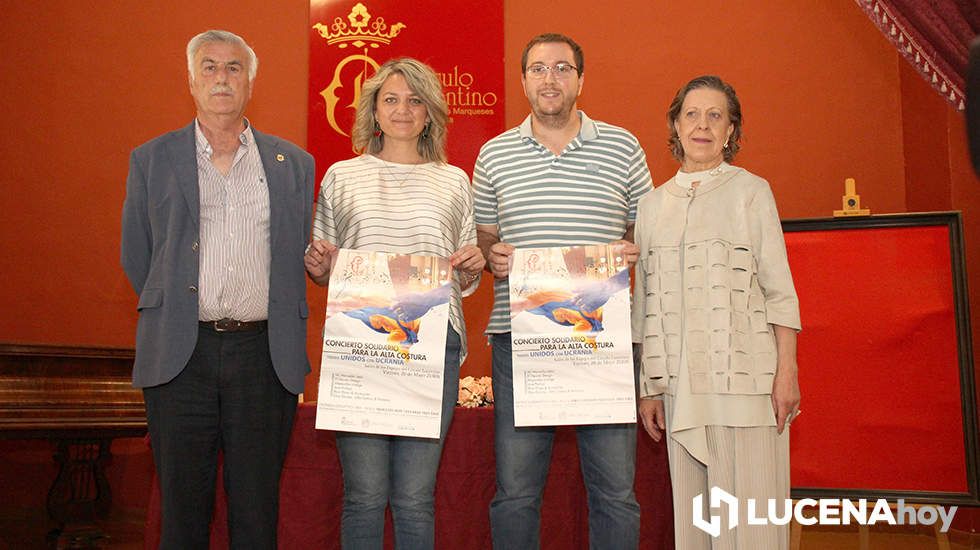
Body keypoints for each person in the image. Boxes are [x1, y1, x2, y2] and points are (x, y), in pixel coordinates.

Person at [120, 30, 314, 549]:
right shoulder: (152, 159)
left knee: (256, 507)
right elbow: (138, 255)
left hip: (263, 355)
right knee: (182, 509)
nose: (222, 78)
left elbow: (301, 251)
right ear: (191, 79)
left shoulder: (293, 163)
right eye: (209, 67)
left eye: (233, 68)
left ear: (250, 81)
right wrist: (182, 309)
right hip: (181, 355)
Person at [474, 33, 652, 550]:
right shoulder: (494, 154)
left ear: (580, 79)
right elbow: (485, 237)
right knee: (516, 491)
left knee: (616, 491)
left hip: (605, 339)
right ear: (523, 80)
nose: (549, 78)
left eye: (561, 68)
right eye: (537, 69)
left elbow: (648, 229)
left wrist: (632, 248)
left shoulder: (623, 145)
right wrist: (493, 255)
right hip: (521, 339)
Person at [304, 57, 485, 550]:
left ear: (430, 113)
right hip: (359, 345)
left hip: (431, 346)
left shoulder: (455, 181)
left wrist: (472, 263)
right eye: (391, 99)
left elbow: (465, 278)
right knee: (363, 494)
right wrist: (319, 264)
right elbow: (321, 268)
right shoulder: (341, 176)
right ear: (374, 111)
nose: (403, 109)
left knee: (414, 496)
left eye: (414, 100)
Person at [632, 75, 801, 549]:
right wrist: (649, 388)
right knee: (698, 527)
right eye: (692, 114)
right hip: (680, 391)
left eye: (715, 116)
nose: (702, 125)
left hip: (747, 386)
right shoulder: (651, 205)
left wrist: (786, 370)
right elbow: (644, 300)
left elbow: (779, 289)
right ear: (675, 124)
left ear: (731, 130)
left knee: (752, 525)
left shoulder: (751, 191)